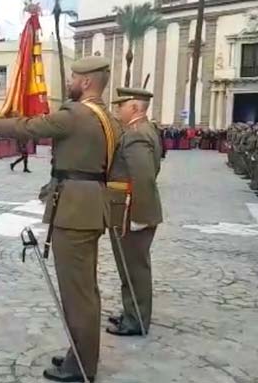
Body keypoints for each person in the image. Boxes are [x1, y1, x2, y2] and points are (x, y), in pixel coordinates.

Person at [0, 56, 120, 383]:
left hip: (75, 211)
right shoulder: (106, 116)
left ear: (87, 82)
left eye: (74, 77)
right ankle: (80, 352)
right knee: (85, 289)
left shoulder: (76, 114)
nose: (70, 82)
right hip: (90, 205)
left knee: (77, 294)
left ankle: (81, 366)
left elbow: (31, 126)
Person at [105, 87, 163, 337]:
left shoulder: (136, 135)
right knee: (129, 266)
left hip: (130, 211)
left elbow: (143, 177)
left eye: (122, 106)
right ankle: (131, 312)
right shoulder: (141, 130)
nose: (118, 110)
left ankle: (136, 319)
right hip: (128, 208)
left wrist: (139, 216)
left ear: (135, 108)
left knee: (134, 268)